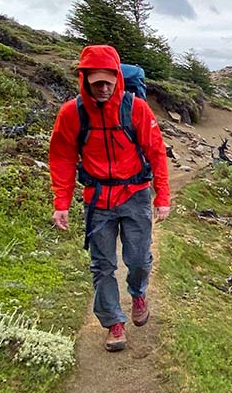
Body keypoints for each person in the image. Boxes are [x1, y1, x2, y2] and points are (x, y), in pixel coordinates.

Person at [48, 44, 170, 351]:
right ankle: (114, 322)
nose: (102, 87)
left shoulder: (136, 109)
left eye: (108, 80)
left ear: (117, 77)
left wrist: (162, 195)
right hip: (98, 199)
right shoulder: (72, 113)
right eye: (95, 81)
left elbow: (156, 152)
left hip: (136, 194)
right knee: (102, 265)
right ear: (84, 79)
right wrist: (61, 203)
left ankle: (138, 293)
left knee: (139, 259)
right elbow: (62, 157)